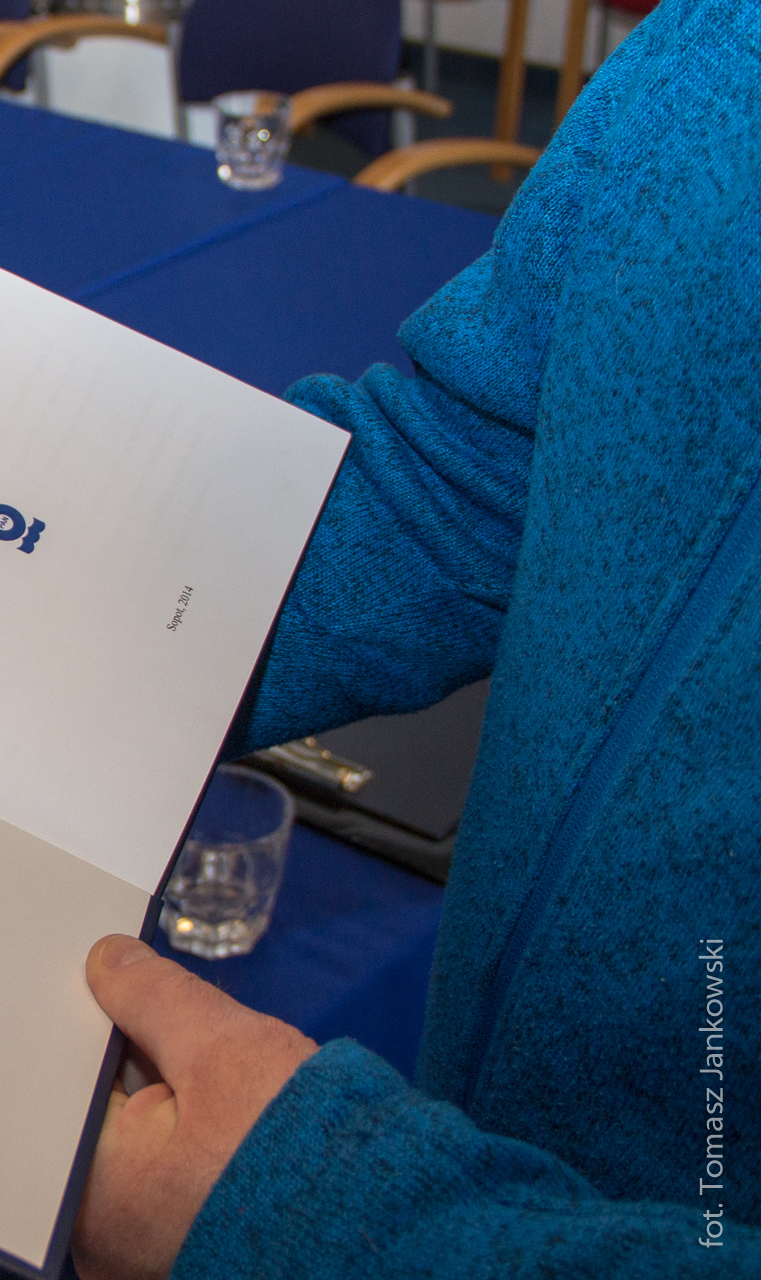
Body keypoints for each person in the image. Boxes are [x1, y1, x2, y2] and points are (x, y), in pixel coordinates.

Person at [69, 1, 759, 1275]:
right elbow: (467, 471)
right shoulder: (718, 43)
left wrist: (331, 1231)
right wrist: (58, 585)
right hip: (492, 1103)